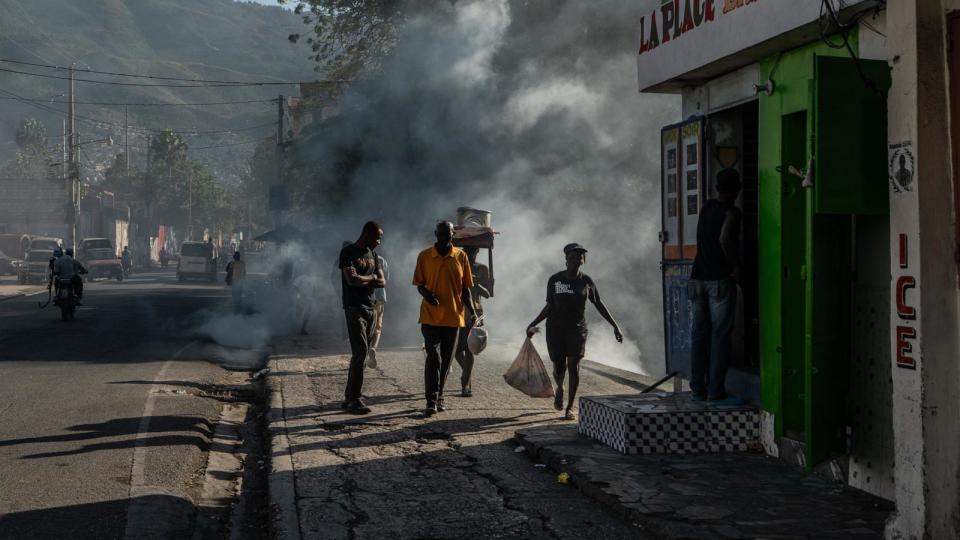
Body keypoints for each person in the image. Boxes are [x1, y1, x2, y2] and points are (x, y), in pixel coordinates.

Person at [526, 243, 622, 421]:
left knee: (574, 367)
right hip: (555, 330)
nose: (576, 260)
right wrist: (533, 323)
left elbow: (598, 303)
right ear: (566, 260)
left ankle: (569, 407)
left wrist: (614, 325)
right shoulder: (555, 280)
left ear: (583, 261)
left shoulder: (586, 281)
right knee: (559, 367)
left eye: (580, 257)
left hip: (577, 330)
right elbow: (550, 305)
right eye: (573, 257)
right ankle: (560, 387)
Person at [688, 168, 743, 405]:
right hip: (719, 280)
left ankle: (697, 388)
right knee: (720, 336)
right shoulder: (733, 212)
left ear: (718, 188)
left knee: (699, 335)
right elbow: (723, 239)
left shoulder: (707, 207)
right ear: (737, 189)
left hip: (696, 278)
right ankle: (715, 391)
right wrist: (734, 266)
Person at [413, 221, 477, 417]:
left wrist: (472, 311)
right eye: (441, 234)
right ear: (436, 234)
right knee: (433, 357)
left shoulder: (461, 256)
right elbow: (419, 284)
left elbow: (465, 289)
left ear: (452, 235)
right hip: (430, 318)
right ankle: (431, 401)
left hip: (452, 318)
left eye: (448, 234)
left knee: (446, 361)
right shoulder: (425, 256)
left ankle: (439, 396)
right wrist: (427, 295)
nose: (444, 238)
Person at [339, 222, 386, 415]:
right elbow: (351, 280)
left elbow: (382, 281)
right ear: (366, 234)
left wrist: (364, 279)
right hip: (354, 308)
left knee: (362, 353)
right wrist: (371, 279)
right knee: (360, 351)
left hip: (371, 307)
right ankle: (354, 399)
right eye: (377, 238)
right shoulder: (348, 253)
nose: (378, 242)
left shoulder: (373, 255)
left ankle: (351, 395)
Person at [454, 246, 490, 397]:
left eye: (472, 252)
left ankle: (466, 384)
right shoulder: (456, 265)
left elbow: (488, 293)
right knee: (455, 351)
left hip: (473, 313)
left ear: (477, 252)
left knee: (469, 349)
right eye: (467, 253)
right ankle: (466, 374)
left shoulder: (481, 268)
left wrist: (475, 284)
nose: (470, 255)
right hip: (456, 311)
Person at [367, 252, 389, 370]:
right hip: (379, 297)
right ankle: (373, 348)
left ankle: (363, 355)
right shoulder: (381, 259)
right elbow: (386, 278)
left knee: (366, 327)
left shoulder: (358, 258)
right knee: (377, 327)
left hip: (365, 298)